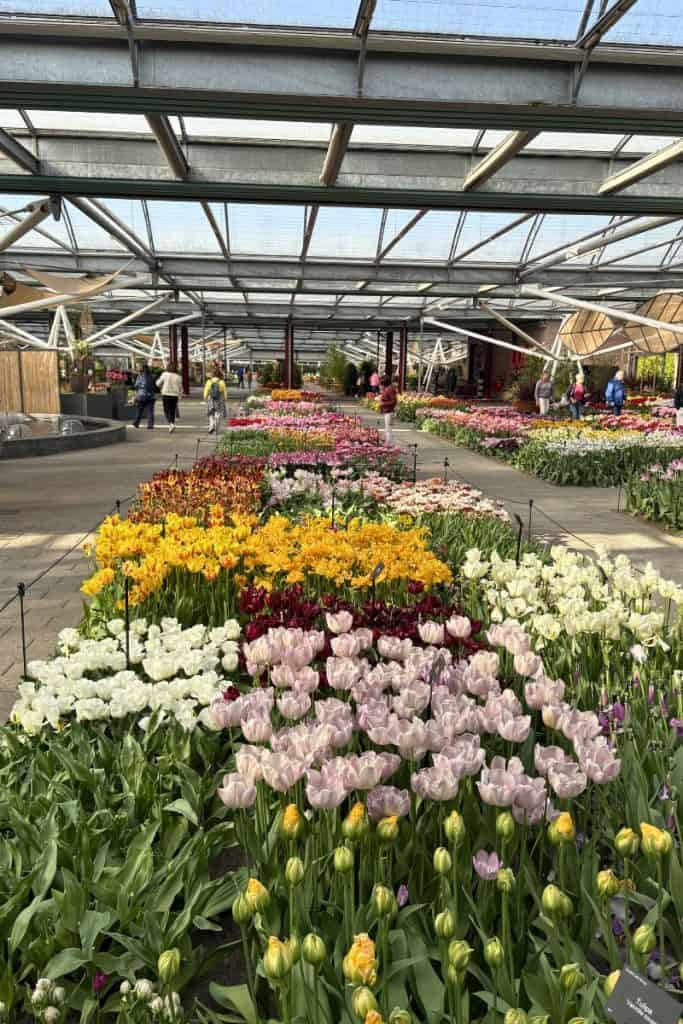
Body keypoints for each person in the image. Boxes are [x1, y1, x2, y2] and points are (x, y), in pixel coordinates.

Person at [156, 361, 182, 433]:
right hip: (175, 395)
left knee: (167, 410)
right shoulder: (178, 376)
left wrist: (161, 386)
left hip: (166, 394)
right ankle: (172, 424)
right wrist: (180, 395)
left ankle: (171, 423)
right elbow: (180, 387)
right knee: (172, 411)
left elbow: (158, 383)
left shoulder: (165, 374)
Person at [132, 363, 157, 430]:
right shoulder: (152, 376)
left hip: (141, 396)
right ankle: (150, 425)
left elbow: (136, 385)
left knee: (139, 411)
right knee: (150, 411)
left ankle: (136, 423)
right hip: (151, 396)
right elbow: (155, 386)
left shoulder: (140, 376)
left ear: (142, 369)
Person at [204, 369, 227, 434]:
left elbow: (206, 391)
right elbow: (224, 391)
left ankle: (211, 426)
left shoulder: (209, 381)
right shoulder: (222, 382)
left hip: (211, 399)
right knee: (218, 412)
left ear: (213, 374)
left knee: (211, 414)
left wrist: (205, 397)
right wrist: (225, 398)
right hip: (219, 399)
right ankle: (216, 426)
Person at [379, 374, 397, 444]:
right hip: (387, 411)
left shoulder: (390, 389)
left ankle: (389, 444)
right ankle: (389, 443)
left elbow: (394, 401)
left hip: (389, 412)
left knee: (388, 429)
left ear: (384, 383)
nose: (380, 385)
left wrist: (383, 404)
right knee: (388, 429)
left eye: (381, 383)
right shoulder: (388, 389)